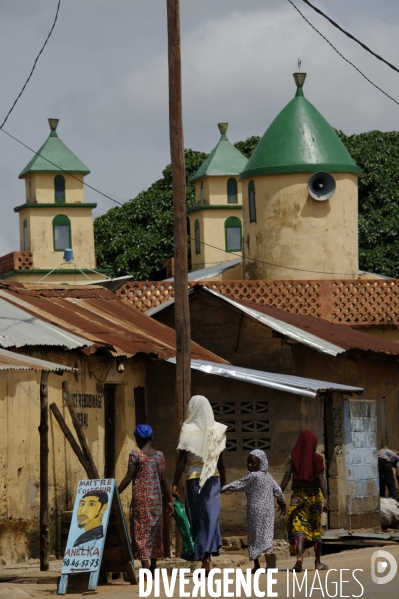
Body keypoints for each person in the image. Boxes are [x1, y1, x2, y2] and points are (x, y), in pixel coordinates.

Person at [172, 395, 227, 573]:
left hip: (193, 480)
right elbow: (220, 459)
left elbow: (182, 460)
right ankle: (207, 555)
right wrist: (224, 478)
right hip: (213, 478)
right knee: (211, 517)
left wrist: (174, 482)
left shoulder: (187, 429)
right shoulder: (217, 430)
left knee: (199, 519)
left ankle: (204, 554)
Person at [118, 424, 174, 575]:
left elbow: (129, 477)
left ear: (136, 438)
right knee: (155, 532)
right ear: (152, 437)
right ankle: (154, 567)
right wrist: (169, 500)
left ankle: (145, 568)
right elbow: (164, 480)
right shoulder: (159, 455)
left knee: (141, 532)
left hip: (141, 500)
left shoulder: (135, 455)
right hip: (156, 500)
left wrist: (115, 492)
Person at [221, 449, 286, 572]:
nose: (249, 465)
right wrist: (282, 502)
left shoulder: (252, 476)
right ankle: (268, 554)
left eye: (253, 463)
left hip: (255, 511)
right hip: (268, 511)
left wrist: (223, 488)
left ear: (261, 463)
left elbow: (238, 484)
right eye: (248, 463)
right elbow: (278, 491)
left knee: (254, 536)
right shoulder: (268, 476)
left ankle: (257, 565)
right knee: (267, 535)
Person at [280, 430, 329, 573]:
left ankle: (300, 556)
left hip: (298, 497)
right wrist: (326, 497)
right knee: (315, 528)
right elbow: (320, 478)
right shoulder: (318, 459)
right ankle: (317, 562)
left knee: (299, 527)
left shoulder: (292, 458)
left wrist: (278, 492)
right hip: (314, 498)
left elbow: (287, 476)